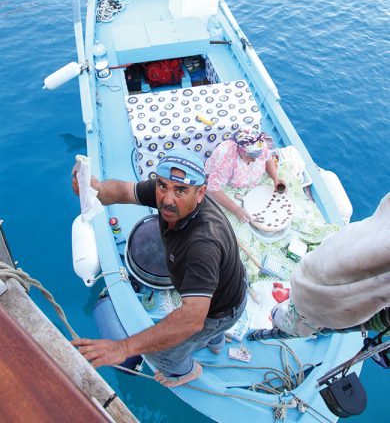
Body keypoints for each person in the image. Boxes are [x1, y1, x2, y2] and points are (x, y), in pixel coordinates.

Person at [71, 148, 247, 387]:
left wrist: (123, 347)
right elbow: (123, 191)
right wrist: (94, 190)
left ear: (201, 192)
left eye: (181, 191)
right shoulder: (167, 190)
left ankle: (187, 372)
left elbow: (193, 319)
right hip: (231, 290)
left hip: (218, 313)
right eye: (162, 186)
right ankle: (216, 344)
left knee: (160, 353)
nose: (167, 199)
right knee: (211, 332)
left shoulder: (202, 244)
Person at [205, 127, 286, 223]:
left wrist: (276, 179)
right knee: (228, 220)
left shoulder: (258, 144)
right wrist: (236, 210)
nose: (255, 160)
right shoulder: (226, 159)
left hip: (252, 181)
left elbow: (268, 159)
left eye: (257, 156)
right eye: (251, 156)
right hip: (229, 186)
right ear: (240, 150)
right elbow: (213, 188)